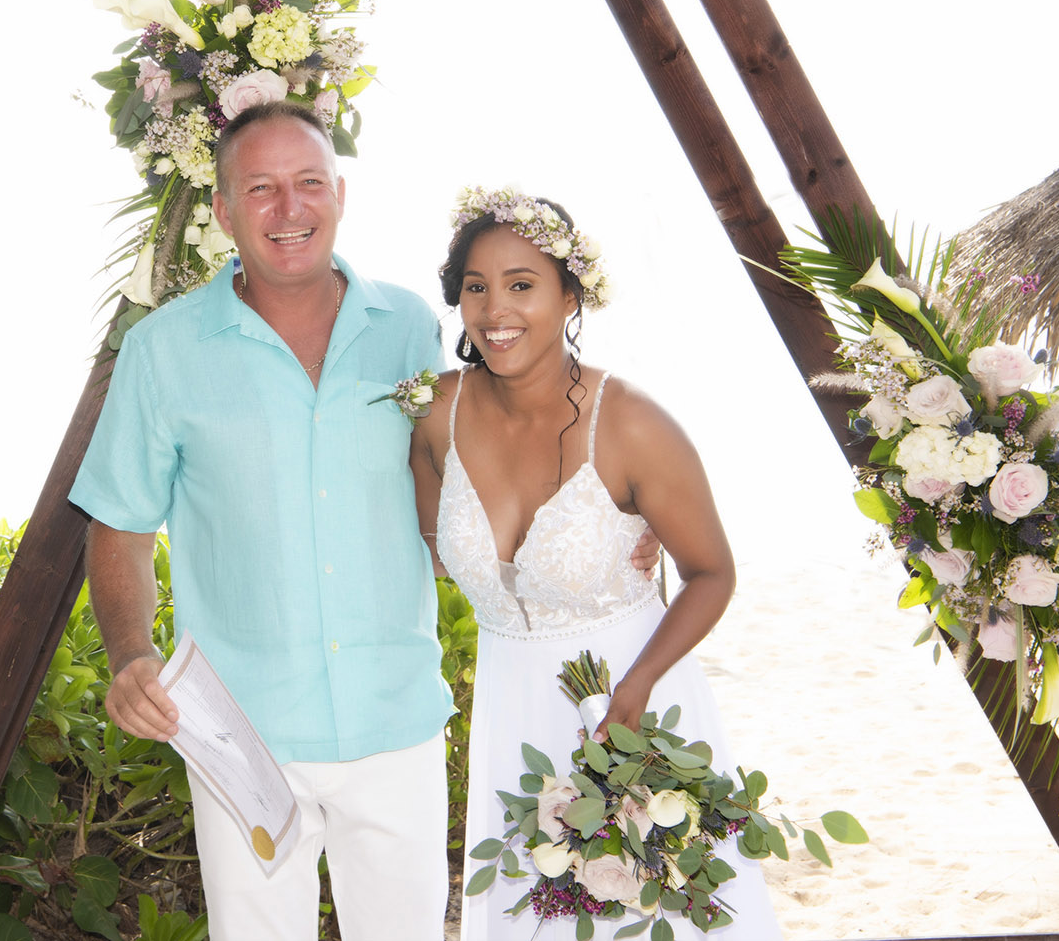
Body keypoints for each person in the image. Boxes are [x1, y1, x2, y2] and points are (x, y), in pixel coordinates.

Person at [69, 102, 451, 940]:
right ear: (223, 209)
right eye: (262, 188)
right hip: (241, 731)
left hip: (398, 722)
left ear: (341, 194)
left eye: (309, 182)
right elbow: (121, 527)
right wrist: (133, 656)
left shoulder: (414, 329)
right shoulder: (162, 350)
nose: (290, 210)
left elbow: (478, 478)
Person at [409, 189, 781, 940]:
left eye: (521, 284)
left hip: (630, 699)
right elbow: (434, 550)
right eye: (476, 287)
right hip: (513, 706)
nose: (494, 309)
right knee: (529, 904)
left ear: (570, 295)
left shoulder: (634, 424)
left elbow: (713, 573)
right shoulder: (432, 414)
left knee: (656, 908)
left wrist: (636, 686)